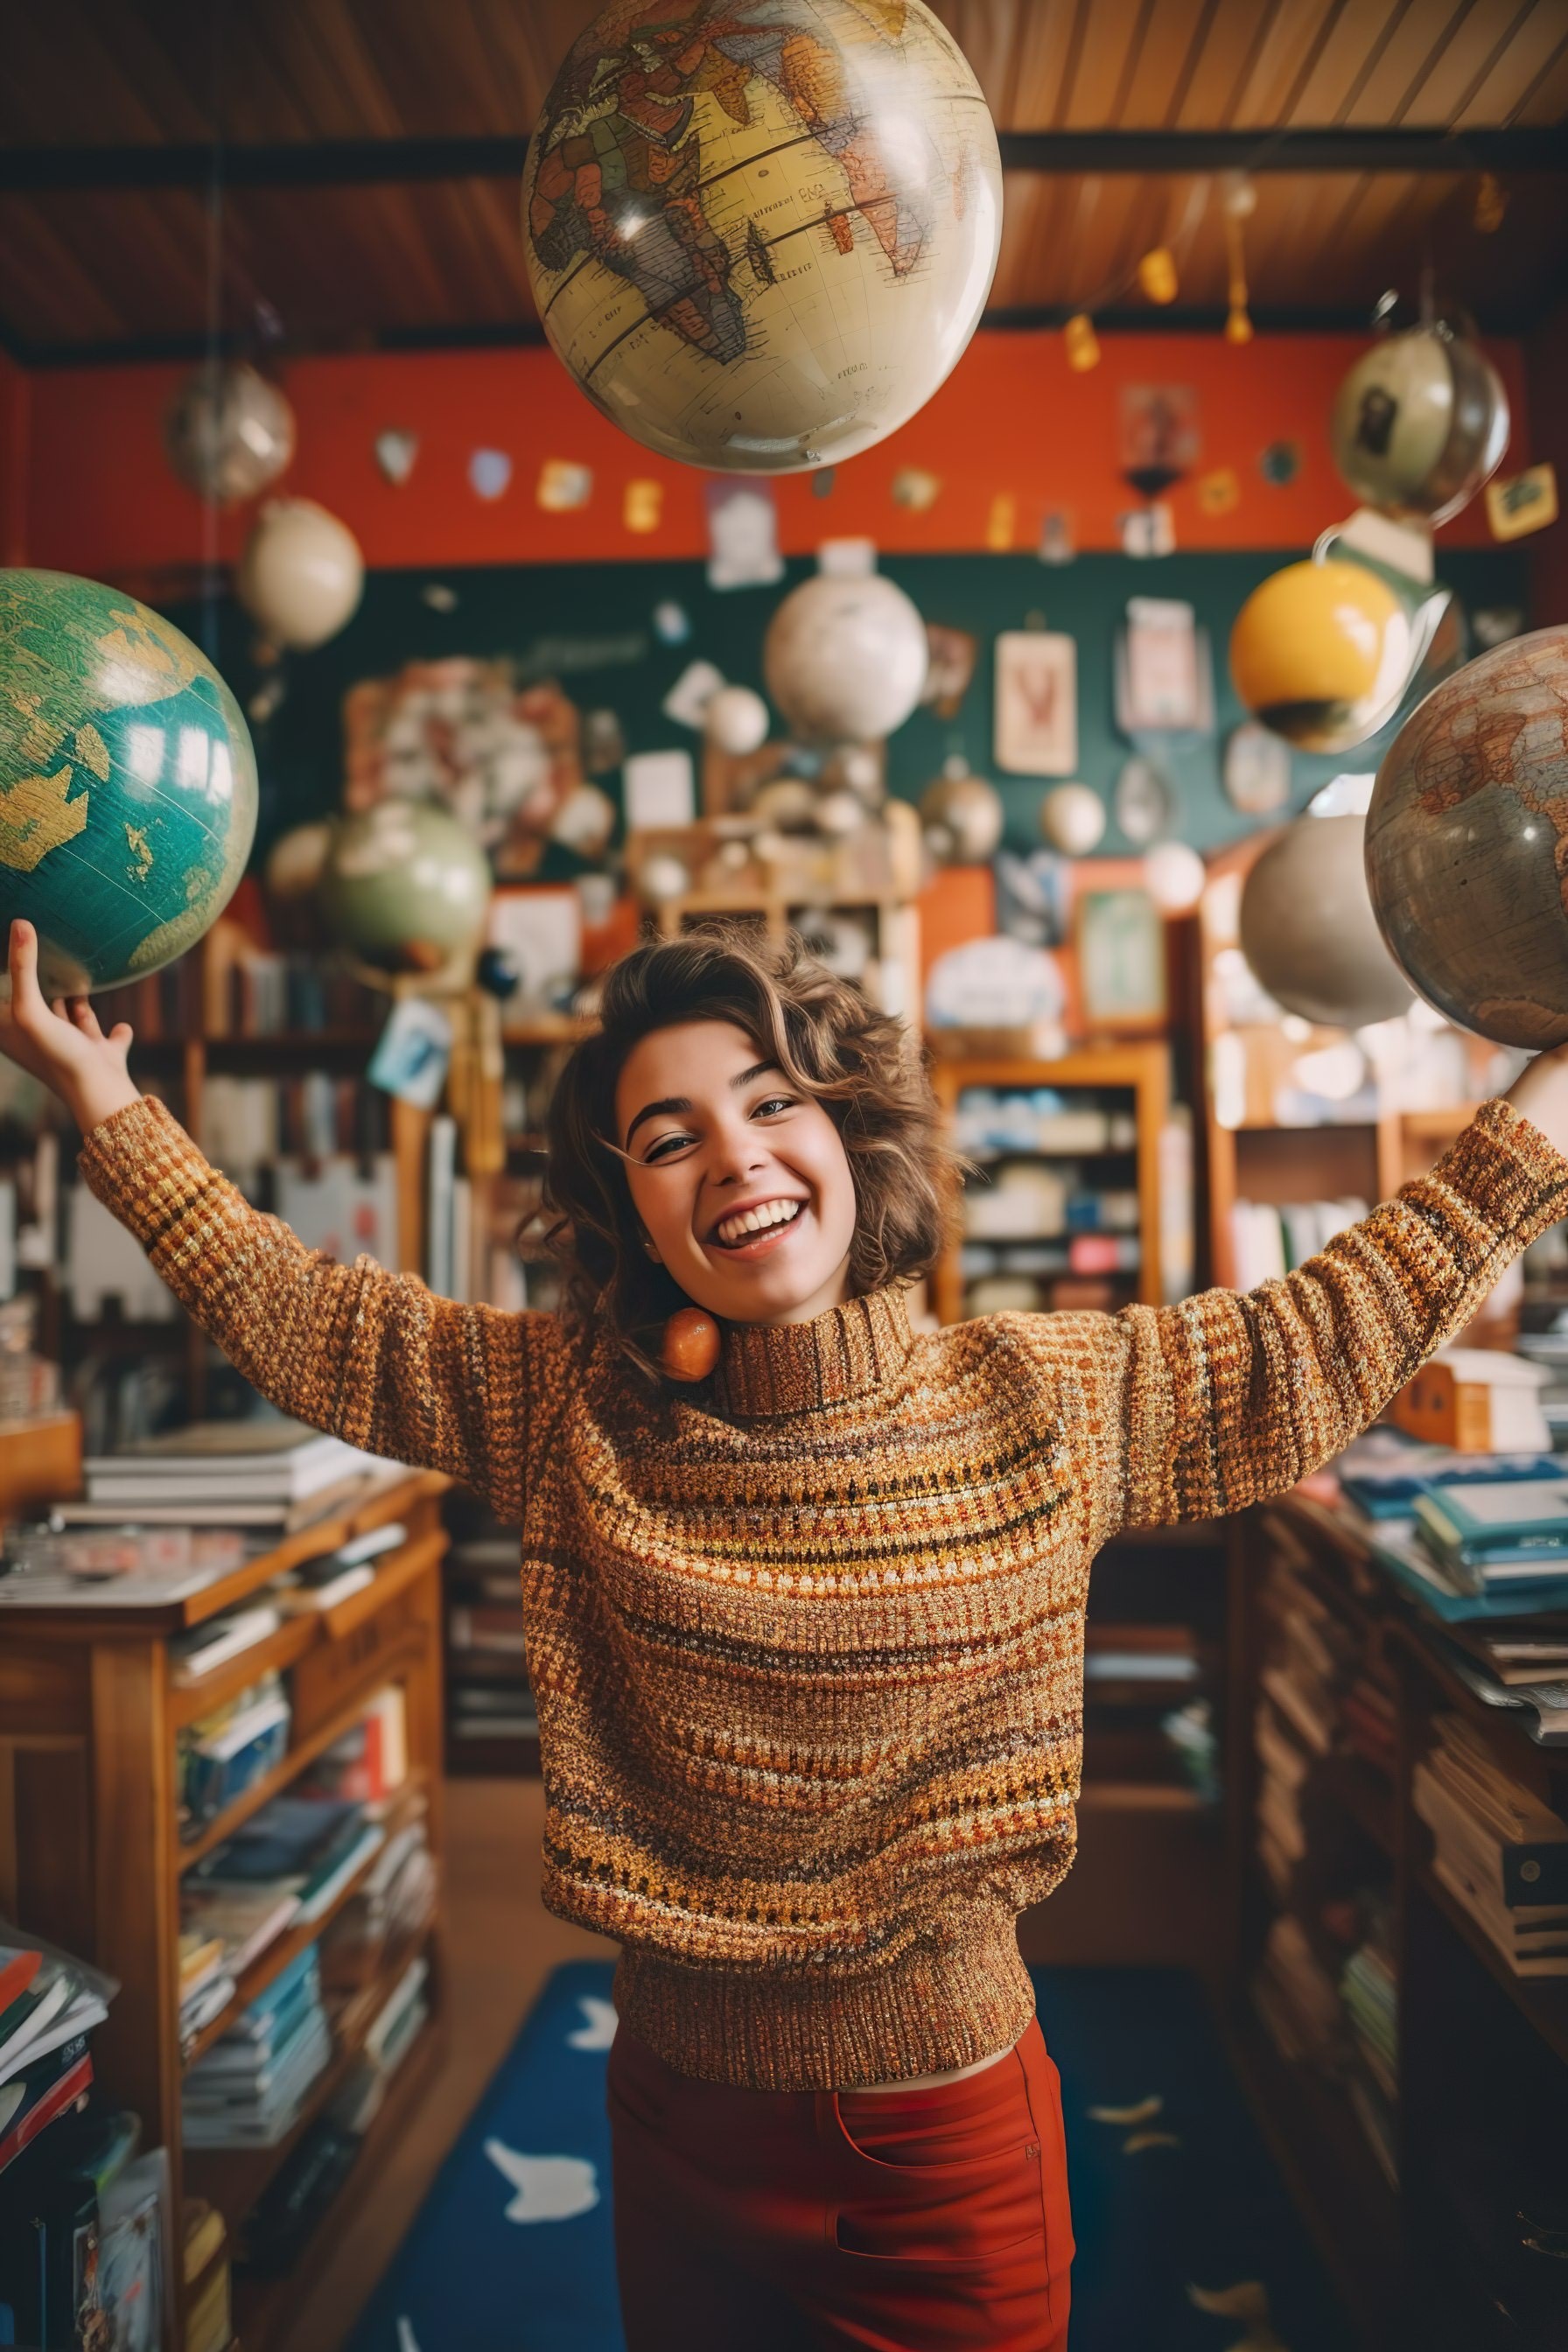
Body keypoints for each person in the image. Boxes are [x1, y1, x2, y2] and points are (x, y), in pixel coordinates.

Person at [6, 914, 1567, 2352]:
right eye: (668, 1138)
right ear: (633, 1210)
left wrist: (1547, 1101)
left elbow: (1334, 1324)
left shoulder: (1047, 1397)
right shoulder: (574, 1410)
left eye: (772, 1103)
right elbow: (309, 1317)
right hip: (673, 2120)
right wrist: (106, 1104)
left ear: (849, 1131)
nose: (734, 1157)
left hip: (938, 2147)